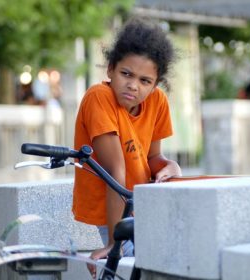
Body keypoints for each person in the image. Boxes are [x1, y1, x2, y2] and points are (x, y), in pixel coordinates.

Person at [72, 18, 182, 278]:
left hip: (139, 208)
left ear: (155, 84)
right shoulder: (99, 98)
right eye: (126, 74)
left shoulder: (157, 102)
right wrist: (113, 243)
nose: (134, 85)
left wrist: (169, 166)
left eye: (145, 81)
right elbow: (115, 171)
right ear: (110, 69)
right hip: (111, 212)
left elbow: (152, 156)